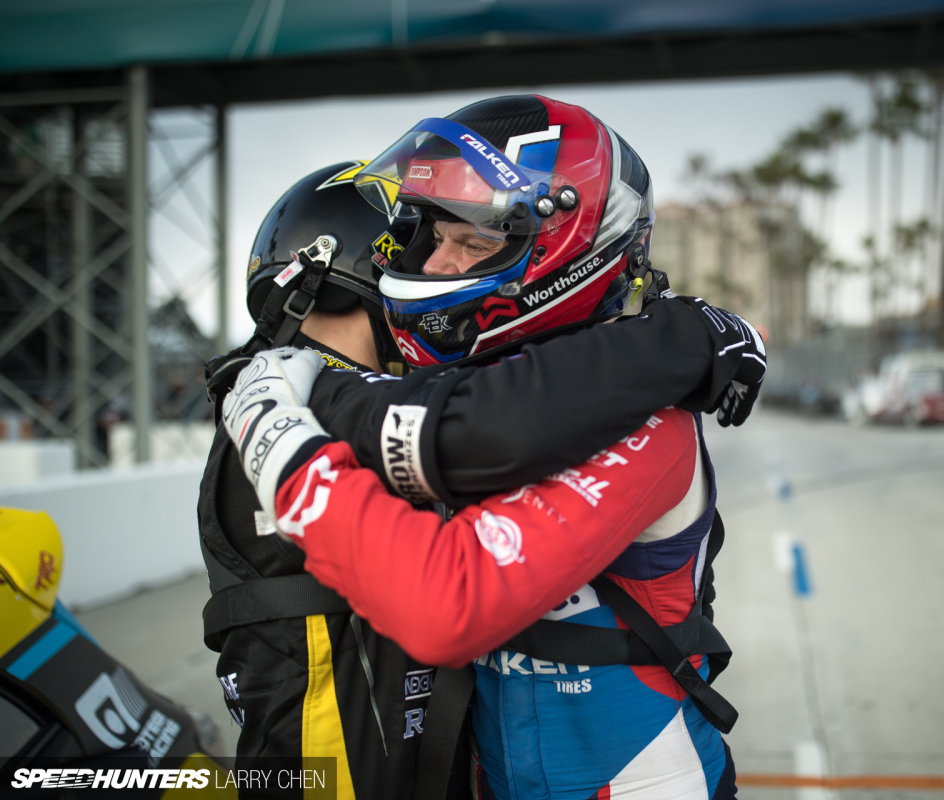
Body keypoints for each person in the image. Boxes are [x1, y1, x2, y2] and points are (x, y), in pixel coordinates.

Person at [220, 95, 763, 799]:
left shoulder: (649, 419)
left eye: (474, 243)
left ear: (565, 256)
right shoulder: (480, 392)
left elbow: (444, 606)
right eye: (436, 237)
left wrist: (281, 446)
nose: (438, 263)